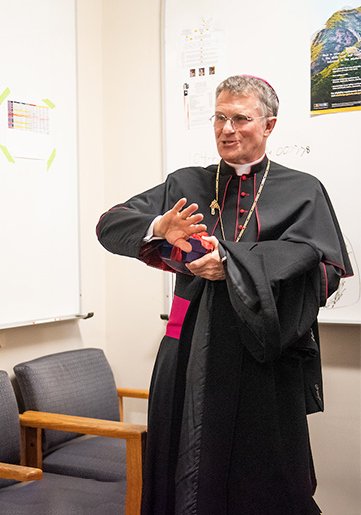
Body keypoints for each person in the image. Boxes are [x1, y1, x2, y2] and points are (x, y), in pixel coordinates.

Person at [96, 75, 353, 515]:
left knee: (263, 478)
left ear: (269, 125)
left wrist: (233, 263)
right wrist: (160, 229)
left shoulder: (302, 190)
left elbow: (325, 271)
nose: (227, 129)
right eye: (219, 117)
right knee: (185, 467)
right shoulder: (187, 183)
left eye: (240, 118)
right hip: (190, 351)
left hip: (263, 356)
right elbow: (111, 224)